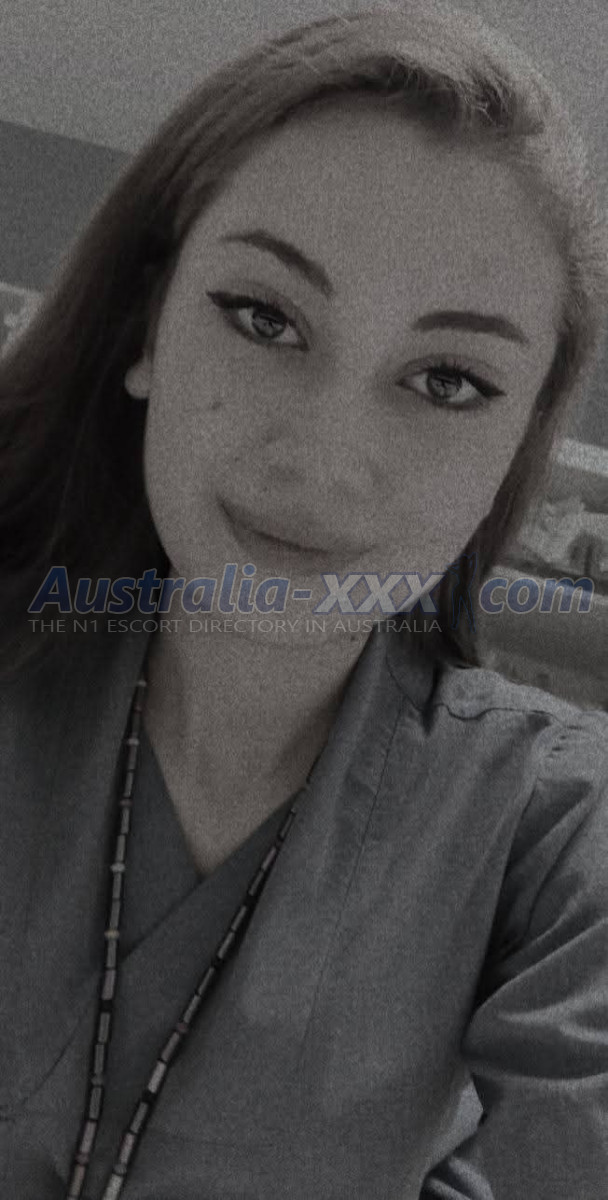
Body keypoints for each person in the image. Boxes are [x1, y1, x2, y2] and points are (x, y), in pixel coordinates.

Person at [1, 3, 607, 1197]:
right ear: (146, 330)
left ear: (514, 451)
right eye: (264, 317)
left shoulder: (559, 830)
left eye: (447, 380)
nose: (323, 464)